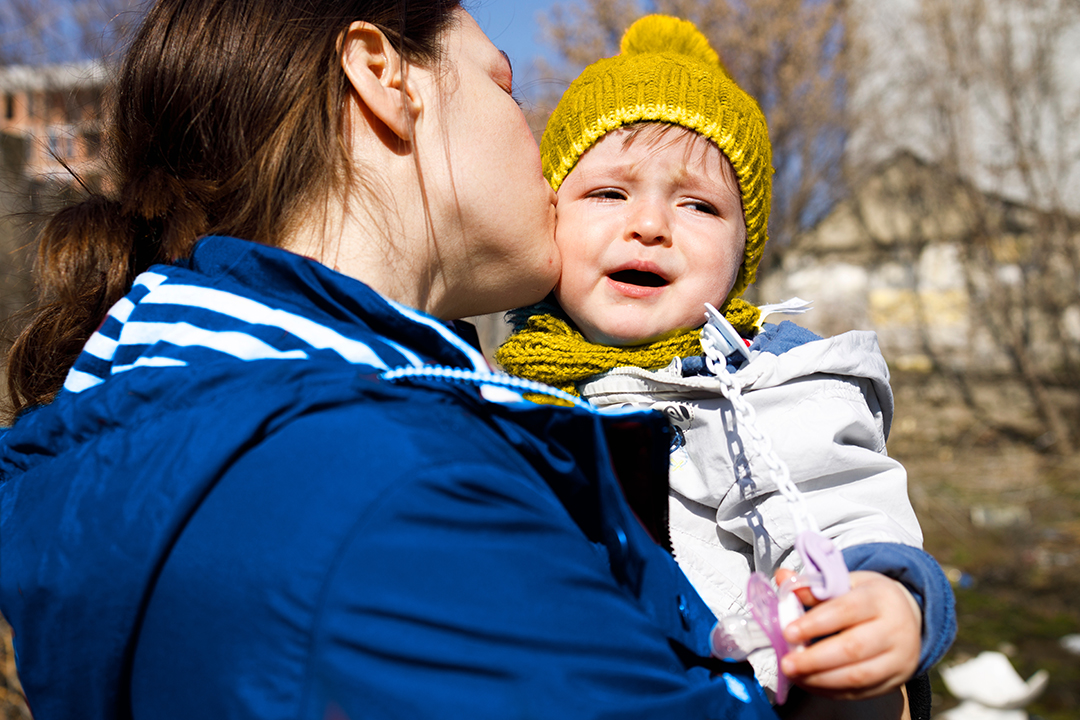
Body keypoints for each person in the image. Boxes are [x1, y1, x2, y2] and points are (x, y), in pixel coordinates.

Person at [0, 2, 783, 719]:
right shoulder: (388, 482)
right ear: (383, 77)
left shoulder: (208, 430)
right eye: (506, 86)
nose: (545, 160)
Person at [496, 14, 955, 717]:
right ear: (550, 213)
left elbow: (837, 513)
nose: (650, 225)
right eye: (610, 193)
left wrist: (878, 594)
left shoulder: (761, 387)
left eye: (699, 205)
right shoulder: (501, 388)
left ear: (742, 256)